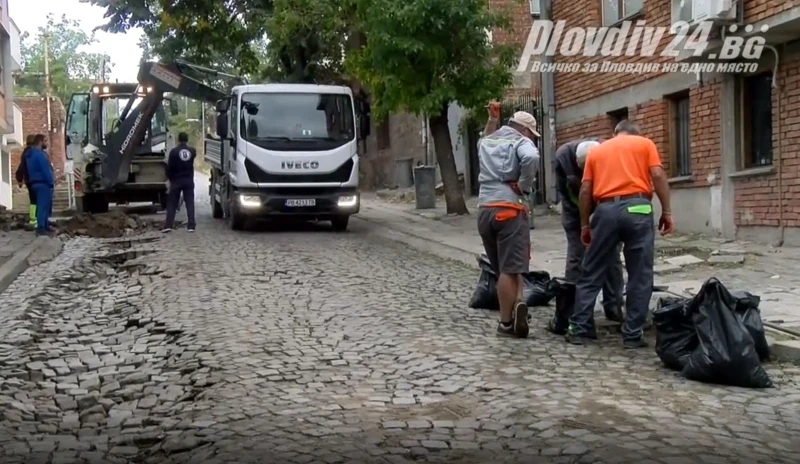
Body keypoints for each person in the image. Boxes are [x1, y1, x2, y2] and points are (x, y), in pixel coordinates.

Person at [567, 120, 674, 348]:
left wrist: (585, 225)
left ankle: (579, 327)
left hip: (605, 211)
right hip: (639, 207)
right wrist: (666, 211)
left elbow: (585, 190)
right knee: (640, 274)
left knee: (592, 269)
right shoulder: (645, 144)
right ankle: (632, 334)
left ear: (615, 133)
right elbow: (657, 174)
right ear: (637, 132)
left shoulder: (597, 151)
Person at [477, 104, 540, 338]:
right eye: (532, 135)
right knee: (510, 268)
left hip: (485, 210)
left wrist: (492, 120)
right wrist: (523, 185)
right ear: (524, 130)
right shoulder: (521, 142)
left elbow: (483, 138)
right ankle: (505, 323)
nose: (532, 139)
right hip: (510, 209)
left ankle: (518, 304)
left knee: (506, 267)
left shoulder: (488, 141)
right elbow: (531, 157)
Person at [551, 139, 624, 334]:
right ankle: (572, 309)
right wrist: (584, 217)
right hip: (574, 210)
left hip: (603, 209)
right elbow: (567, 195)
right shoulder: (563, 158)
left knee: (612, 256)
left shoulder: (604, 155)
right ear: (577, 162)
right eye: (584, 169)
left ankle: (614, 305)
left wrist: (599, 214)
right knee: (577, 257)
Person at [163, 132, 197, 233]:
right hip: (188, 180)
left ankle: (168, 225)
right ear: (187, 139)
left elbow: (169, 168)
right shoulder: (192, 151)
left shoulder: (173, 152)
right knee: (190, 203)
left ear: (178, 139)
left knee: (172, 203)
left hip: (176, 180)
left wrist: (170, 179)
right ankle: (191, 225)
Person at [24, 134, 55, 237]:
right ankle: (41, 227)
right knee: (43, 206)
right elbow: (45, 169)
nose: (46, 143)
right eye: (45, 141)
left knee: (41, 205)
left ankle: (44, 225)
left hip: (33, 182)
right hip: (43, 183)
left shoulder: (29, 154)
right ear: (40, 141)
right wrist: (51, 181)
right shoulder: (40, 155)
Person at [15, 134, 38, 230]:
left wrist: (20, 179)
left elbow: (21, 167)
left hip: (29, 180)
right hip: (36, 179)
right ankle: (37, 220)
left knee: (33, 201)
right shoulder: (34, 152)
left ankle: (33, 220)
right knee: (38, 200)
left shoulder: (25, 153)